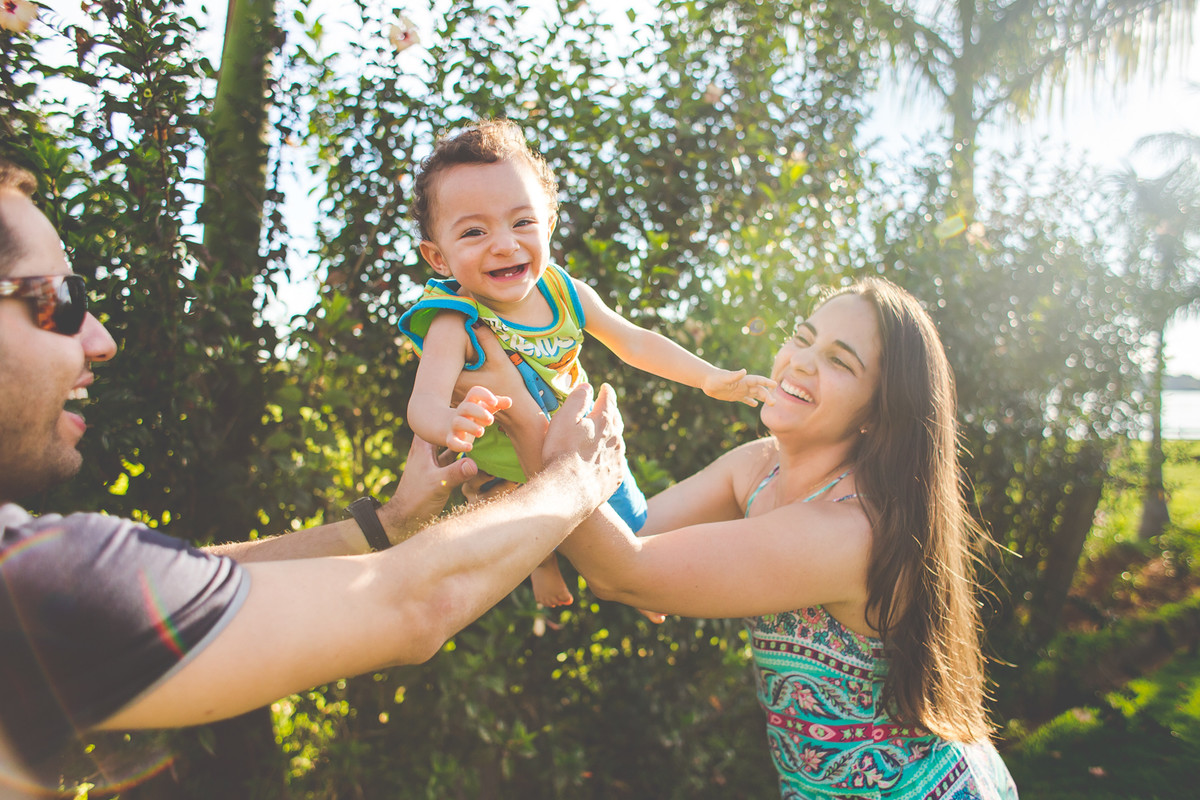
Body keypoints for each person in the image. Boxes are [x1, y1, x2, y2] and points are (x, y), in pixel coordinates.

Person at [0, 159, 628, 796]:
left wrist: (391, 523)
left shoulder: (35, 588)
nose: (101, 340)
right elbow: (416, 603)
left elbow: (192, 585)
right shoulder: (28, 585)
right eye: (60, 300)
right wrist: (575, 478)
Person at [475, 276, 1019, 798]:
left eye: (838, 361)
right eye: (802, 338)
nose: (800, 361)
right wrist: (509, 471)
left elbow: (624, 571)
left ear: (878, 414)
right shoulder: (758, 468)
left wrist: (527, 419)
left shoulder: (849, 531)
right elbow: (631, 533)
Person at [397, 119, 775, 607]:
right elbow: (422, 403)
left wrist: (707, 376)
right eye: (473, 231)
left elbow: (634, 342)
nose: (505, 244)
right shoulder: (453, 322)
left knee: (631, 523)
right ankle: (544, 565)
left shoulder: (565, 291)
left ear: (549, 223)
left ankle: (633, 584)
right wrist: (449, 422)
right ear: (438, 258)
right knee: (516, 509)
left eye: (522, 222)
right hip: (511, 467)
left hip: (579, 449)